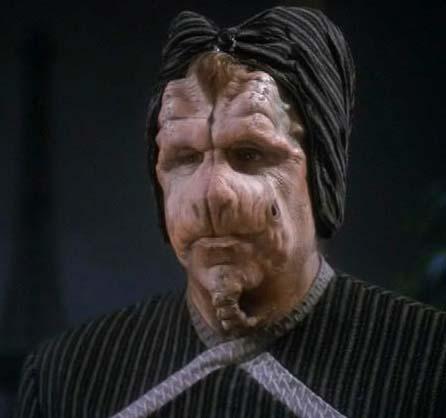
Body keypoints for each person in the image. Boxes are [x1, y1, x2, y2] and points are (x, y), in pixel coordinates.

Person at [14, 7, 446, 418]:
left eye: (250, 153)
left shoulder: (429, 363)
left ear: (322, 173)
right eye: (184, 158)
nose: (213, 192)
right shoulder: (65, 378)